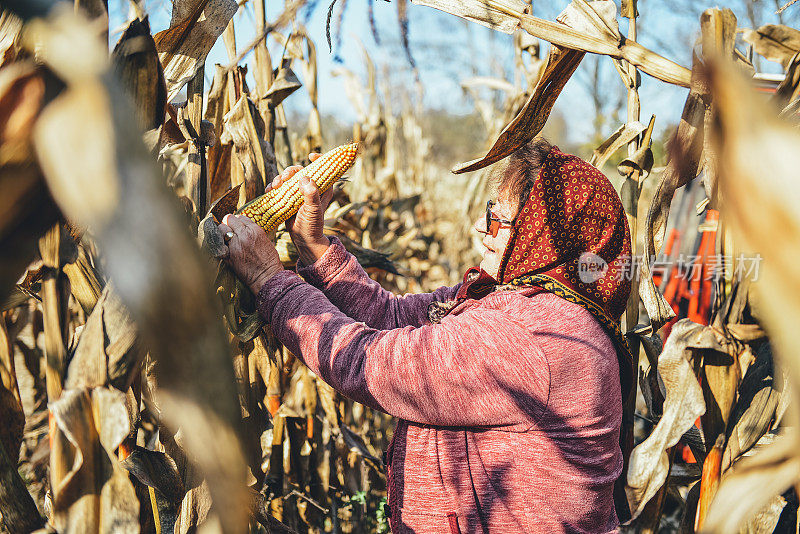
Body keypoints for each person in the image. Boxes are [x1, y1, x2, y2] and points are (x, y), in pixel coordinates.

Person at [220, 138, 633, 533]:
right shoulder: (520, 301)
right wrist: (313, 246)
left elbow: (370, 362)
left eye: (499, 218)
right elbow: (392, 318)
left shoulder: (533, 336)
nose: (478, 227)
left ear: (545, 236)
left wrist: (267, 279)